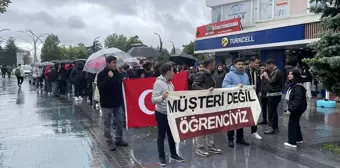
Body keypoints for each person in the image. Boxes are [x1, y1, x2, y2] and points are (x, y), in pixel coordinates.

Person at [152, 62, 184, 166]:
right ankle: (161, 157)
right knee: (161, 136)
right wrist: (162, 97)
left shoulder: (170, 83)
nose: (174, 73)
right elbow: (153, 100)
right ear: (168, 72)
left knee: (172, 135)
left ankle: (174, 154)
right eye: (172, 70)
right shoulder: (158, 83)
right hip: (161, 113)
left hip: (171, 113)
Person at [97, 56, 128, 151]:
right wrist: (108, 78)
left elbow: (119, 85)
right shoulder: (101, 74)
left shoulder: (117, 73)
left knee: (119, 122)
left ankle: (119, 139)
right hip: (107, 104)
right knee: (107, 124)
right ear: (108, 63)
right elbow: (101, 88)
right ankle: (109, 141)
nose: (115, 64)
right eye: (113, 62)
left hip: (117, 103)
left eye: (115, 62)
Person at [192, 59, 222, 157]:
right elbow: (194, 85)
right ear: (209, 65)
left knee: (210, 124)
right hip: (203, 104)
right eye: (213, 64)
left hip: (209, 104)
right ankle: (199, 147)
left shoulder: (209, 74)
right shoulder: (202, 74)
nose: (214, 66)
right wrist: (205, 91)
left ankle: (210, 145)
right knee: (201, 125)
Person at [222, 58, 251, 147]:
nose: (241, 66)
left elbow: (248, 86)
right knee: (231, 121)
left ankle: (240, 138)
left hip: (242, 102)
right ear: (234, 65)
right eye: (239, 64)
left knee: (241, 120)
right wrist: (235, 86)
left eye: (242, 64)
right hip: (232, 102)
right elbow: (224, 86)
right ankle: (230, 139)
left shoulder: (246, 75)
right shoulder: (229, 75)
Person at [284, 69, 307, 148]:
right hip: (298, 107)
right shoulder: (293, 85)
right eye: (289, 74)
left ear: (295, 76)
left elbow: (297, 100)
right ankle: (298, 139)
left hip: (297, 108)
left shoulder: (298, 87)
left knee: (292, 123)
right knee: (295, 122)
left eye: (291, 74)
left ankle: (292, 142)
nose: (289, 75)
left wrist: (290, 109)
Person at [263, 59, 283, 134]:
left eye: (268, 66)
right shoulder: (274, 71)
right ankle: (275, 127)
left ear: (271, 64)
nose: (267, 68)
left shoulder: (277, 71)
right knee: (272, 111)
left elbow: (272, 82)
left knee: (272, 112)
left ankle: (273, 127)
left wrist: (267, 77)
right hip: (273, 93)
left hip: (274, 94)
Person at [246, 57, 262, 140]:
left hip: (254, 96)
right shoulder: (245, 71)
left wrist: (259, 91)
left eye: (258, 63)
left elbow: (258, 82)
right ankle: (239, 135)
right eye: (256, 63)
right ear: (251, 62)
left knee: (255, 113)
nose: (258, 65)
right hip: (245, 96)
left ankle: (254, 131)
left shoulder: (257, 71)